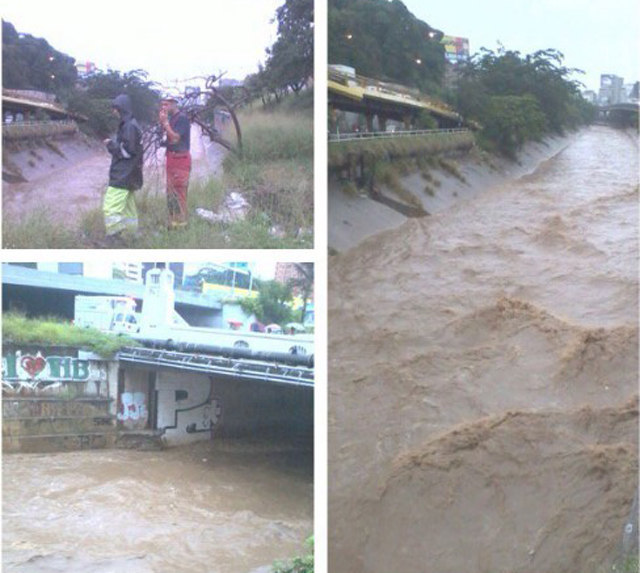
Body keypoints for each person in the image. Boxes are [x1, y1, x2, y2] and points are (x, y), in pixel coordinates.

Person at [103, 94, 143, 243]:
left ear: (121, 109)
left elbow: (127, 151)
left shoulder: (129, 126)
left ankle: (114, 238)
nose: (114, 112)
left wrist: (110, 145)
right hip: (130, 174)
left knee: (110, 207)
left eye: (115, 109)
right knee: (128, 209)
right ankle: (132, 236)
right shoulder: (131, 124)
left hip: (122, 175)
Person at [159, 97, 191, 228]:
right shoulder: (172, 119)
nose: (164, 108)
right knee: (170, 192)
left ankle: (181, 224)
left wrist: (165, 123)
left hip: (180, 160)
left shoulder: (182, 118)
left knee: (179, 191)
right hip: (171, 159)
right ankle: (173, 222)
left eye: (166, 105)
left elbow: (176, 138)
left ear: (174, 104)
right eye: (162, 105)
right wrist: (163, 124)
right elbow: (168, 139)